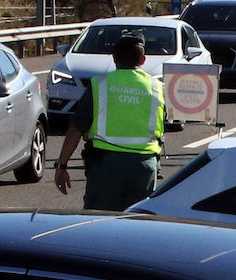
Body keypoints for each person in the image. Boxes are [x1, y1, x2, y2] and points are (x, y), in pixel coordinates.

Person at [54, 34, 165, 209]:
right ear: (143, 59)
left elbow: (76, 128)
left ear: (114, 59)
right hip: (144, 166)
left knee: (100, 225)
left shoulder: (99, 84)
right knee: (139, 225)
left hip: (105, 166)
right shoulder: (157, 87)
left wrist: (62, 165)